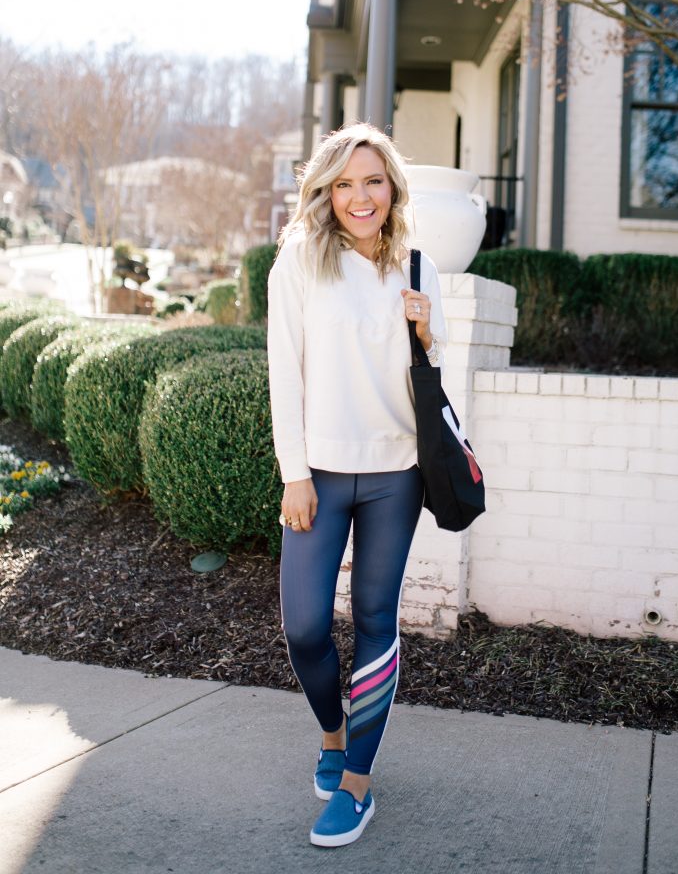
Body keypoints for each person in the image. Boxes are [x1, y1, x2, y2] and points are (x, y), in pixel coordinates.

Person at [267, 122, 446, 848]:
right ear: (325, 191)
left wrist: (428, 332)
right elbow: (285, 369)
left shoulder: (416, 265)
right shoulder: (301, 261)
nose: (358, 196)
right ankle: (333, 734)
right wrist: (294, 474)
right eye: (343, 183)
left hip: (395, 474)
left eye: (371, 181)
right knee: (304, 625)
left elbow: (433, 375)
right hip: (321, 473)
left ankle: (356, 785)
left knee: (375, 623)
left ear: (391, 187)